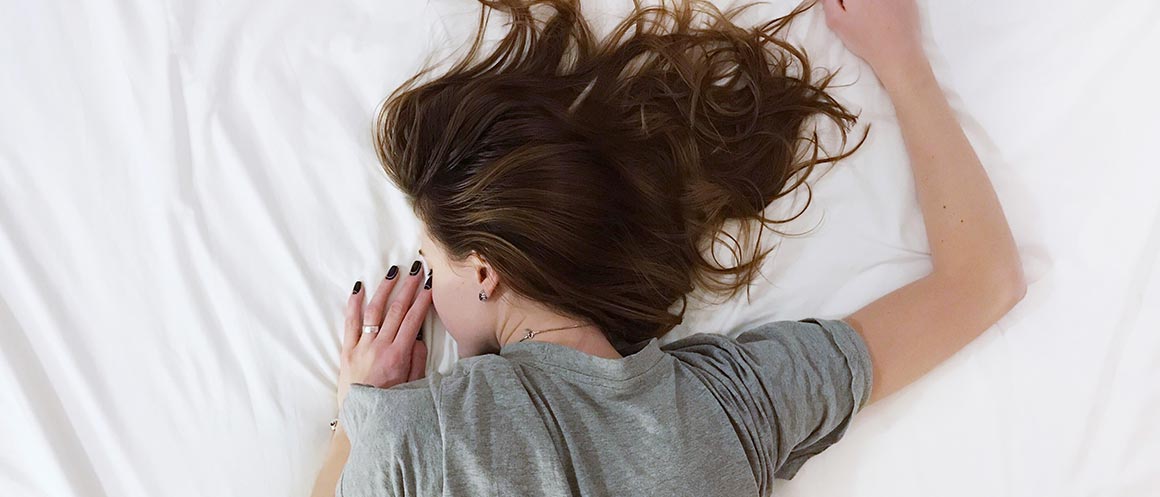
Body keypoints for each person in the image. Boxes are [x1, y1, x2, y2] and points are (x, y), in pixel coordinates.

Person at [311, 0, 1026, 495]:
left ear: (487, 272)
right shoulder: (734, 404)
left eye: (432, 264)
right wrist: (902, 62)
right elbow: (984, 280)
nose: (427, 290)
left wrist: (357, 411)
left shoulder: (413, 435)